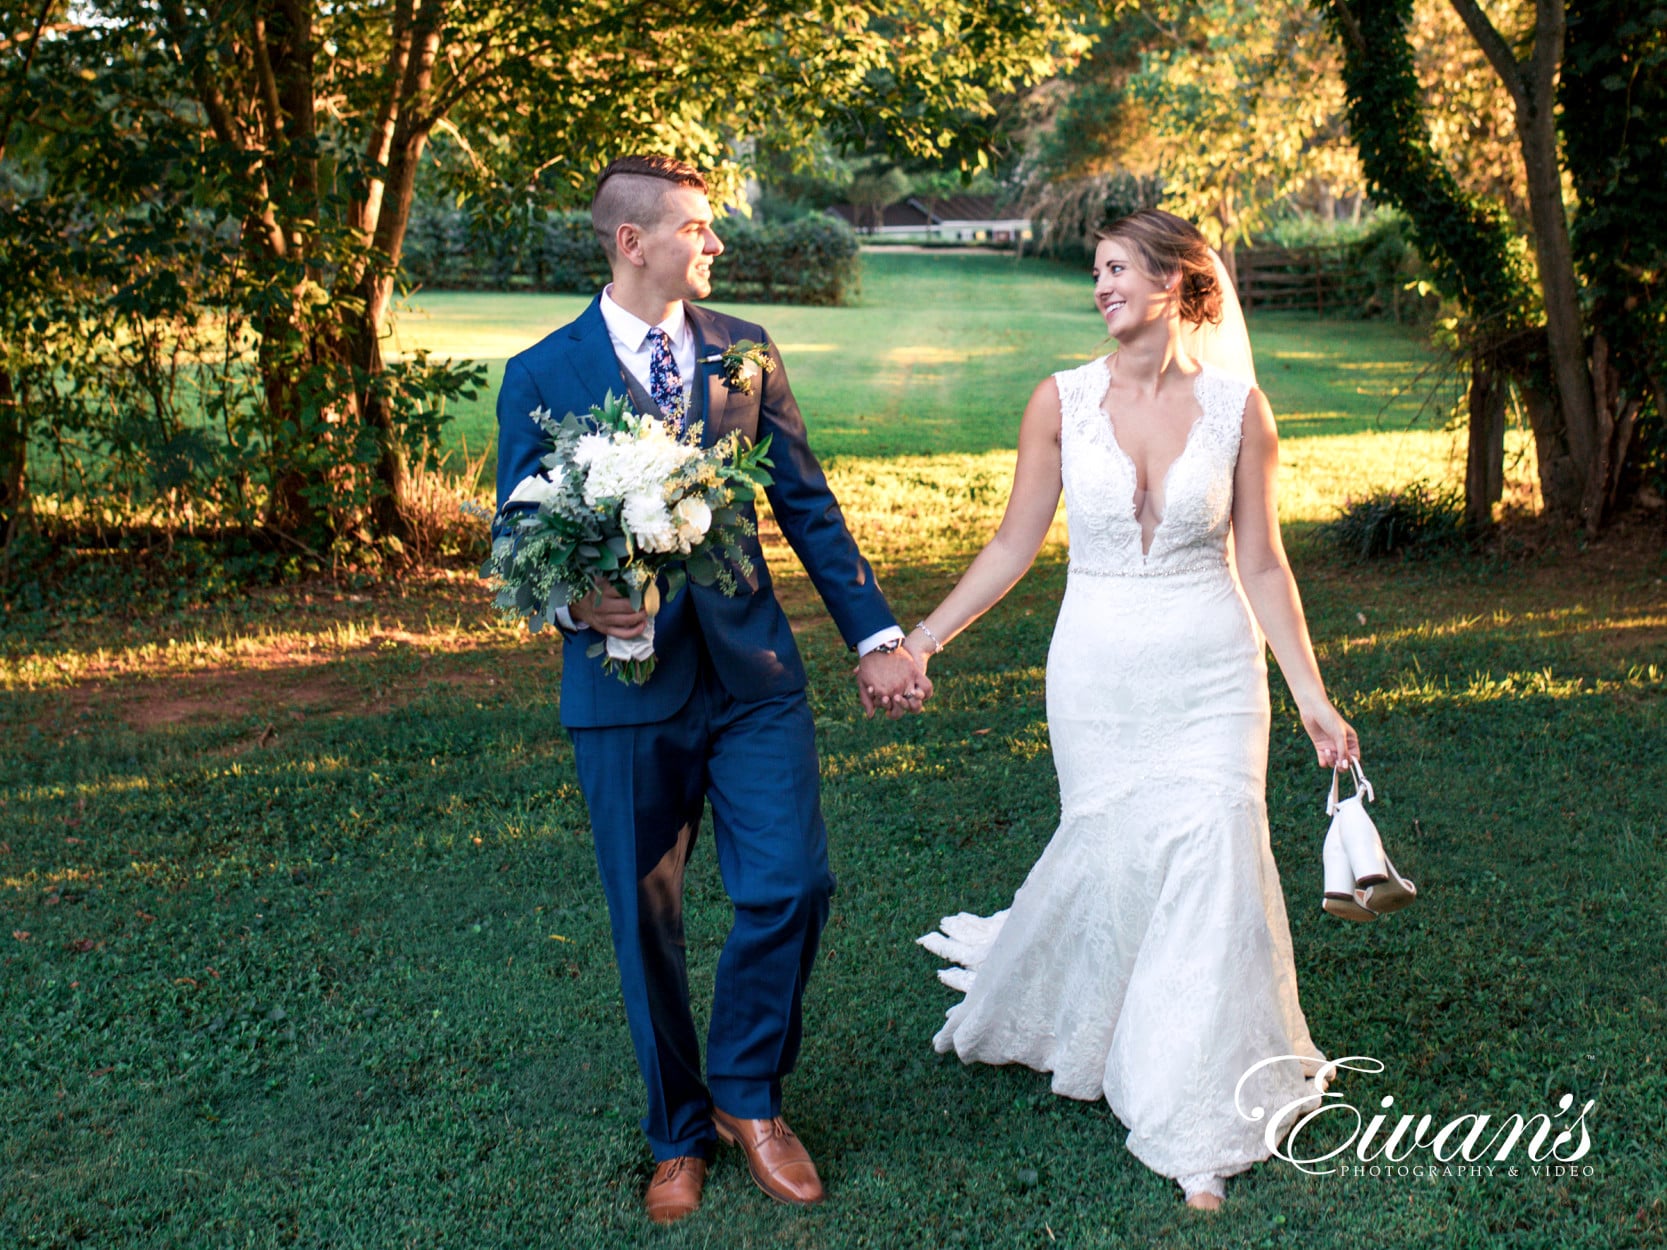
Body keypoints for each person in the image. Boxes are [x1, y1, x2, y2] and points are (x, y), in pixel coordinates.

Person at [492, 154, 931, 1225]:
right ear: (631, 241)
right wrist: (575, 605)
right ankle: (676, 1132)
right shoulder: (540, 371)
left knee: (792, 883)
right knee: (647, 920)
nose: (715, 243)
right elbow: (514, 534)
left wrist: (873, 631)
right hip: (624, 683)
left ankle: (746, 1093)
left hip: (753, 674)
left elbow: (805, 502)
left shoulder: (744, 353)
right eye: (697, 226)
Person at [909, 208, 1358, 1210]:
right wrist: (923, 638)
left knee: (1214, 851)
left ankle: (1194, 1110)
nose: (1099, 286)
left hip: (1211, 671)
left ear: (1171, 283)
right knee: (1115, 854)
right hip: (1097, 674)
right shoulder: (1058, 401)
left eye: (1116, 269)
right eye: (1098, 271)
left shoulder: (1240, 408)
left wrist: (1311, 698)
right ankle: (1108, 1015)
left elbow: (1263, 564)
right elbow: (1009, 545)